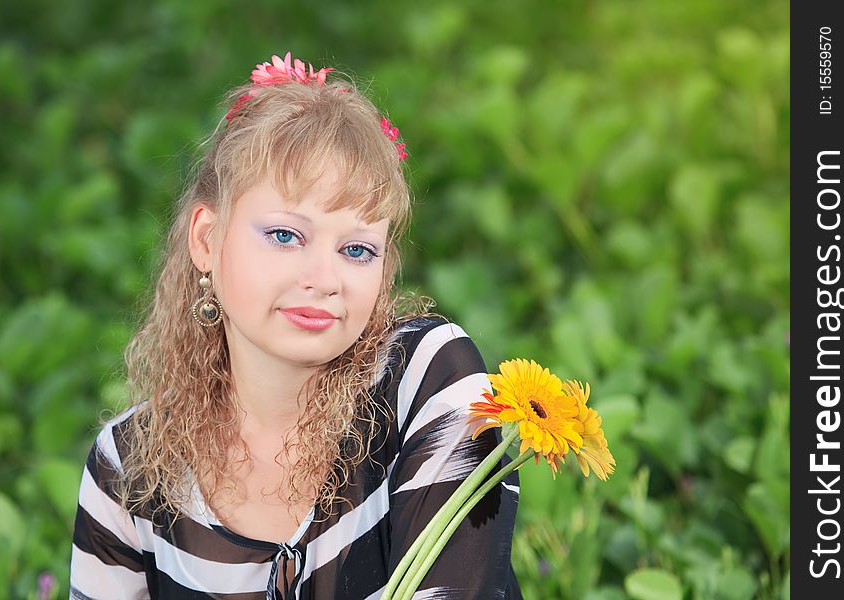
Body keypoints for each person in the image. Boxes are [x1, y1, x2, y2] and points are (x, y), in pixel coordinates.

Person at [69, 51, 522, 600]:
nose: (325, 278)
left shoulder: (428, 382)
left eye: (357, 249)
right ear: (206, 240)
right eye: (286, 235)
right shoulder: (128, 469)